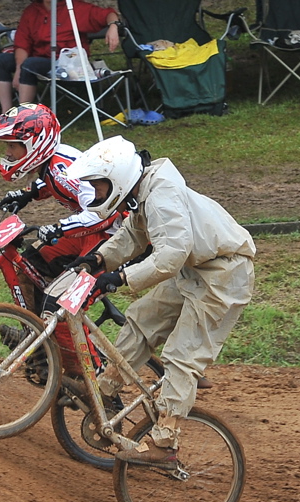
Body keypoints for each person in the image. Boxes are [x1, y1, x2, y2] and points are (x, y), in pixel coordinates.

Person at [63, 136, 256, 469]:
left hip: (224, 274)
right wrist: (98, 260)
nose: (94, 194)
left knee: (182, 356)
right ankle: (105, 388)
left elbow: (170, 256)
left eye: (98, 186)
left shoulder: (162, 196)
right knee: (142, 320)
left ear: (119, 178)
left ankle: (165, 442)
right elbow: (133, 235)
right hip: (195, 269)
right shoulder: (144, 190)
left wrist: (121, 278)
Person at [0, 103, 121, 376]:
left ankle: (92, 380)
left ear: (34, 146)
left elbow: (103, 212)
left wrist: (59, 227)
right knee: (28, 268)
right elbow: (51, 182)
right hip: (88, 231)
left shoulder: (62, 169)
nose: (7, 153)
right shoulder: (52, 165)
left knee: (60, 307)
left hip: (110, 235)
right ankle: (39, 344)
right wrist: (28, 193)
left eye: (13, 146)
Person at [0, 0, 122, 112]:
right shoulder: (32, 11)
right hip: (38, 57)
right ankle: (6, 113)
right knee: (0, 60)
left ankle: (23, 116)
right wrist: (18, 69)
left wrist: (113, 27)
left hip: (67, 64)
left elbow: (109, 14)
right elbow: (22, 43)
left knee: (30, 64)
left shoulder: (74, 8)